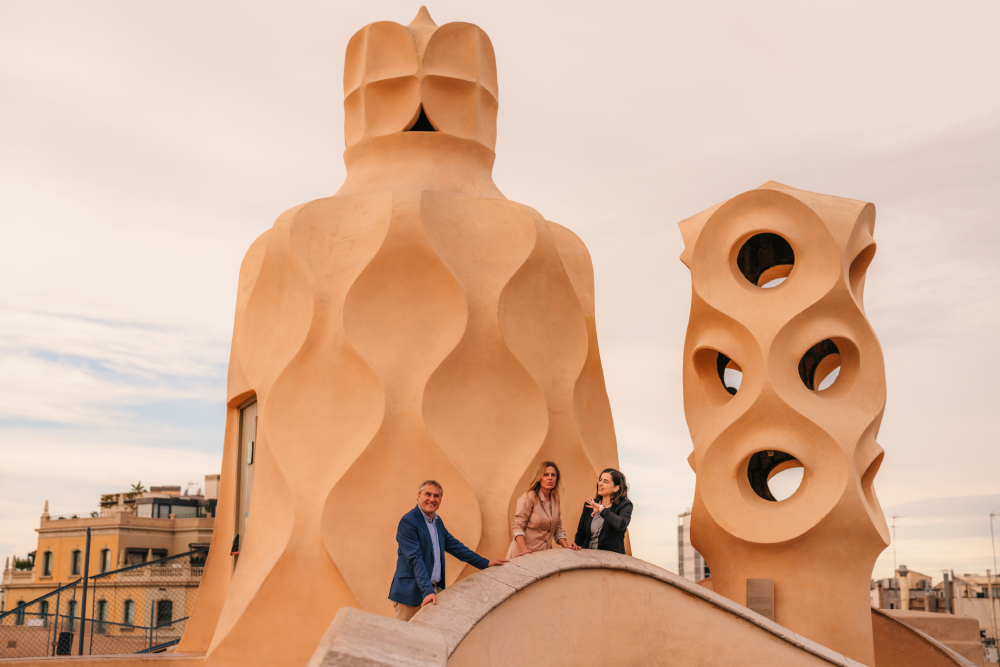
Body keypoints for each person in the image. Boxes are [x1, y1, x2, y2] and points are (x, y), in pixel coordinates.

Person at [389, 480, 508, 621]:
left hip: (433, 592)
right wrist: (427, 591)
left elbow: (456, 547)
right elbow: (415, 558)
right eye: (428, 494)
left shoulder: (437, 522)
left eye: (436, 496)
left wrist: (485, 563)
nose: (432, 499)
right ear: (419, 496)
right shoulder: (408, 521)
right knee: (405, 639)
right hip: (409, 593)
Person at [506, 461, 582, 559]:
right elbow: (518, 525)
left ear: (557, 479)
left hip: (544, 554)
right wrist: (524, 550)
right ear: (539, 478)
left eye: (553, 475)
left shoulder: (555, 499)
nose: (550, 478)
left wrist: (566, 546)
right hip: (523, 553)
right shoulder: (529, 497)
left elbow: (557, 527)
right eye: (545, 475)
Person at [574, 468, 632, 554]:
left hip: (611, 560)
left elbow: (621, 524)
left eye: (605, 481)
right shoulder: (591, 504)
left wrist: (601, 509)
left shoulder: (625, 505)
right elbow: (581, 532)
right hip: (588, 557)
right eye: (600, 480)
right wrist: (576, 547)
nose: (600, 484)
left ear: (616, 488)